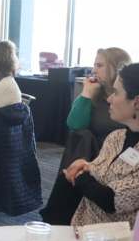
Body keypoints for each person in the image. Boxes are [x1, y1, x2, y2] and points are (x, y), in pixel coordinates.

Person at [55, 63, 139, 227]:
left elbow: (111, 200)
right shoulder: (116, 137)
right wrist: (87, 166)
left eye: (116, 92)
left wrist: (80, 175)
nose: (109, 98)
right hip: (87, 233)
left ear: (137, 102)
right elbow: (106, 176)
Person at [40, 48, 131, 224]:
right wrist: (86, 94)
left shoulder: (127, 98)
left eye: (100, 65)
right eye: (94, 64)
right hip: (90, 154)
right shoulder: (94, 93)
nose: (94, 70)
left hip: (118, 157)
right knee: (79, 136)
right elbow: (74, 124)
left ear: (116, 68)